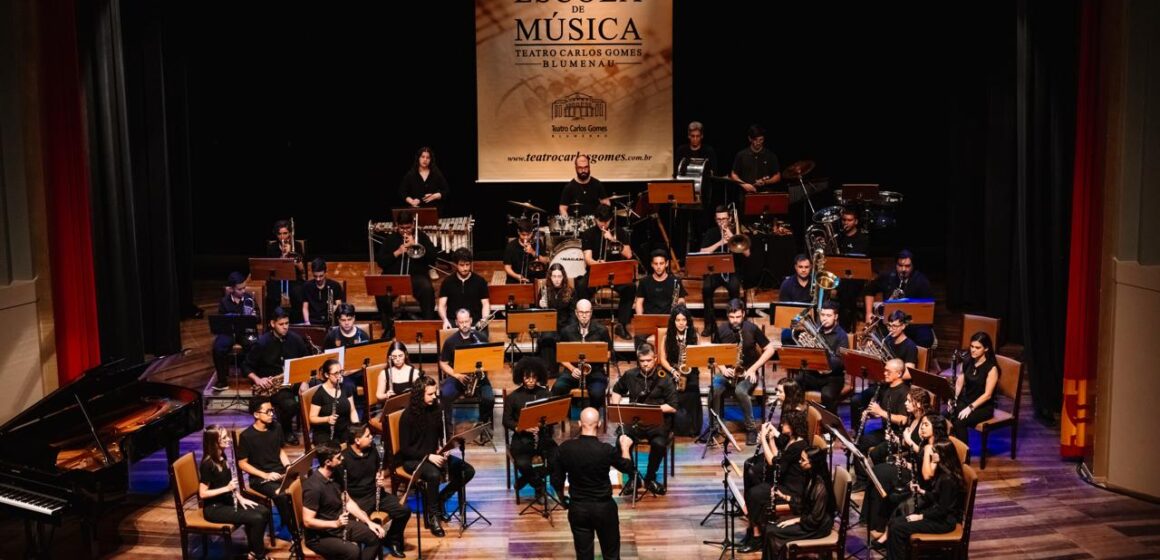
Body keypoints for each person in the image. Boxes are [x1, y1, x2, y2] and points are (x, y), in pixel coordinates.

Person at [552, 408, 635, 560]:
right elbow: (628, 468)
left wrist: (563, 500)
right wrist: (625, 448)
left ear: (579, 423)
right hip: (604, 508)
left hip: (578, 508)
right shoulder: (606, 450)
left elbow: (556, 479)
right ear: (599, 424)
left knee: (584, 555)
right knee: (611, 555)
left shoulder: (565, 448)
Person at [397, 376, 476, 537]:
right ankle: (433, 515)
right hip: (414, 459)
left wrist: (445, 447)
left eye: (435, 393)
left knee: (467, 471)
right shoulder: (407, 416)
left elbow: (442, 434)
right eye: (430, 394)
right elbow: (405, 449)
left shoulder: (436, 409)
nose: (434, 397)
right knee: (433, 474)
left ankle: (441, 498)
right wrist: (428, 456)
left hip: (434, 455)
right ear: (420, 395)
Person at [737, 407, 810, 553]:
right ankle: (753, 529)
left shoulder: (799, 446)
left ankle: (757, 537)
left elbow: (774, 463)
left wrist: (763, 438)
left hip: (791, 489)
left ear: (794, 426)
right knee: (754, 485)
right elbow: (778, 457)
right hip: (784, 482)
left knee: (754, 494)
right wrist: (771, 439)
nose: (782, 425)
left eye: (785, 423)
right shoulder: (792, 440)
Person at [609, 343, 678, 496]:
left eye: (649, 360)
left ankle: (650, 478)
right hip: (635, 422)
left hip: (657, 423)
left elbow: (673, 406)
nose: (646, 364)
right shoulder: (630, 375)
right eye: (642, 361)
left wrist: (651, 410)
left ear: (655, 359)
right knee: (621, 439)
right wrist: (617, 406)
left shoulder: (665, 378)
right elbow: (617, 390)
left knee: (659, 444)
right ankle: (633, 477)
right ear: (638, 360)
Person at [864, 388, 932, 538]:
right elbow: (907, 443)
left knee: (880, 473)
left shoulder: (926, 422)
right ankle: (872, 520)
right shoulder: (912, 417)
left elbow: (924, 452)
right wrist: (896, 439)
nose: (905, 403)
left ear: (919, 404)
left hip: (917, 471)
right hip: (907, 463)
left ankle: (878, 524)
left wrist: (907, 443)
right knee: (876, 471)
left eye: (909, 401)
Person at [242, 307, 315, 445]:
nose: (285, 327)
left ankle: (314, 429)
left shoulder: (296, 339)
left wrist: (305, 382)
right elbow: (246, 366)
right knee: (289, 404)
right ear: (272, 324)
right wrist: (258, 379)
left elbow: (307, 362)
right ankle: (286, 430)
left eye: (287, 323)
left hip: (295, 379)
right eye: (281, 324)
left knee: (314, 391)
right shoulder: (262, 342)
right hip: (275, 386)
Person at [302, 442, 385, 560]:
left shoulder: (335, 474)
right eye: (338, 457)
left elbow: (348, 501)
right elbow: (307, 521)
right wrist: (335, 523)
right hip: (320, 536)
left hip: (339, 527)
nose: (342, 458)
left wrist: (369, 522)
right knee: (353, 551)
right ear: (327, 462)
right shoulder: (313, 487)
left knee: (375, 536)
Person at [199, 425, 271, 560]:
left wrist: (240, 498)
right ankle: (259, 556)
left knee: (264, 511)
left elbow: (230, 485)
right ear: (215, 442)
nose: (229, 440)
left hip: (227, 501)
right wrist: (227, 488)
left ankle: (254, 550)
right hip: (214, 508)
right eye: (224, 437)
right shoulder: (207, 464)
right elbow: (202, 494)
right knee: (257, 518)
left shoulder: (223, 457)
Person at [884, 440, 965, 559]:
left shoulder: (948, 479)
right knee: (895, 522)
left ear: (942, 455)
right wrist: (922, 491)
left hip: (943, 522)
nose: (931, 456)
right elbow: (938, 498)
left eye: (934, 453)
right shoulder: (943, 474)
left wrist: (920, 516)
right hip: (937, 516)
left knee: (897, 528)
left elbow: (942, 510)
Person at [712, 299, 777, 446]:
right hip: (727, 371)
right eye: (731, 317)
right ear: (727, 316)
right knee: (715, 389)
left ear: (743, 314)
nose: (735, 321)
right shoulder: (721, 330)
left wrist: (753, 368)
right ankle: (715, 427)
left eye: (738, 317)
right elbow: (713, 353)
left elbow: (770, 349)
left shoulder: (752, 328)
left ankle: (751, 429)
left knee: (740, 391)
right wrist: (722, 368)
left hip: (748, 371)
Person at [342, 424, 410, 558]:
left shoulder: (371, 449)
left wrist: (379, 477)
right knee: (364, 529)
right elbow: (341, 488)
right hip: (358, 499)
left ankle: (393, 540)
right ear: (357, 440)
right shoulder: (344, 459)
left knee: (404, 511)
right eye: (367, 436)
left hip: (376, 493)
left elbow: (378, 470)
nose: (371, 437)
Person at [762, 447, 837, 560]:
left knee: (772, 531)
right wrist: (785, 497)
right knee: (771, 526)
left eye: (803, 460)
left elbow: (815, 519)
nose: (799, 461)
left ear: (812, 463)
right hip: (810, 519)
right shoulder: (810, 475)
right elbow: (805, 502)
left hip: (818, 527)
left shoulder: (821, 487)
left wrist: (797, 520)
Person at [374, 210, 438, 337]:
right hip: (394, 277)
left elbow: (433, 258)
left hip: (416, 278)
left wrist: (416, 244)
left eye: (408, 227)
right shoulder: (391, 239)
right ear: (397, 226)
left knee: (427, 289)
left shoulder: (421, 237)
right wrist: (397, 252)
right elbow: (381, 261)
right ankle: (388, 327)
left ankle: (428, 324)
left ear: (413, 225)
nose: (405, 231)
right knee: (380, 291)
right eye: (402, 228)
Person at [575, 204, 635, 339]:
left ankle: (622, 324)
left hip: (615, 272)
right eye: (600, 221)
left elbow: (629, 255)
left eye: (607, 221)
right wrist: (598, 264)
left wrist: (613, 239)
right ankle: (588, 322)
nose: (604, 224)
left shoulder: (620, 232)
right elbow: (588, 259)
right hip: (596, 270)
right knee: (581, 286)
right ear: (595, 219)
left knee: (630, 288)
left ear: (611, 219)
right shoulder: (588, 234)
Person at [851, 359, 910, 489]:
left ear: (899, 374)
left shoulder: (904, 392)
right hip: (885, 431)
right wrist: (871, 413)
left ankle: (882, 481)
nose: (884, 373)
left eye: (888, 371)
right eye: (885, 370)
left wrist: (881, 412)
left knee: (876, 453)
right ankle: (862, 480)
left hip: (898, 436)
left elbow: (903, 419)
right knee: (859, 441)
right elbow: (882, 412)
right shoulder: (885, 388)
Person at [237, 397, 293, 535]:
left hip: (279, 472)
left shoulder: (276, 427)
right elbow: (242, 463)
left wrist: (288, 466)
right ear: (256, 414)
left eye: (272, 411)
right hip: (260, 478)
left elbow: (280, 450)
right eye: (267, 412)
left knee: (303, 485)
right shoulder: (247, 436)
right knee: (281, 495)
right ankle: (290, 530)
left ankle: (298, 522)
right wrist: (266, 475)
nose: (271, 414)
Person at [503, 357, 557, 497]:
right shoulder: (513, 397)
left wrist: (544, 423)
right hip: (522, 439)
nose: (531, 381)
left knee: (558, 459)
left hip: (543, 437)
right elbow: (506, 420)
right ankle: (538, 485)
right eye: (527, 378)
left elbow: (553, 417)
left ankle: (524, 480)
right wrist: (523, 427)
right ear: (521, 377)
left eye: (534, 377)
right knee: (522, 464)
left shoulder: (546, 394)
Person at [439, 309, 495, 435]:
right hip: (458, 376)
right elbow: (443, 363)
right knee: (445, 394)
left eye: (466, 321)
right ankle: (448, 430)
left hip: (478, 376)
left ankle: (482, 425)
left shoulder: (481, 338)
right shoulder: (450, 341)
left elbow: (490, 359)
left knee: (489, 399)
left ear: (471, 321)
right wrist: (456, 375)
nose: (464, 324)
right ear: (457, 323)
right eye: (461, 322)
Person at [863, 250, 935, 348]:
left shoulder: (921, 281)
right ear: (896, 265)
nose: (903, 269)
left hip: (912, 324)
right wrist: (868, 313)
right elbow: (869, 290)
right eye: (900, 265)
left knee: (925, 337)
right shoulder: (888, 277)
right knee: (876, 335)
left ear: (913, 266)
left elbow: (928, 309)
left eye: (907, 266)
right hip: (890, 322)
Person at [550, 299, 612, 410]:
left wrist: (595, 358)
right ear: (576, 313)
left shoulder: (602, 330)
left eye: (587, 312)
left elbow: (608, 353)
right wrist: (572, 368)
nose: (584, 316)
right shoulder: (567, 331)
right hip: (573, 371)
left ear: (591, 312)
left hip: (595, 371)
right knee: (557, 388)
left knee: (597, 393)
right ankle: (565, 415)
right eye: (581, 312)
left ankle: (592, 418)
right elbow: (560, 356)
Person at [793, 301, 849, 412]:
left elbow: (840, 362)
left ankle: (830, 426)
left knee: (827, 396)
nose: (824, 318)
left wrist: (823, 356)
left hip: (832, 377)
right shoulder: (815, 331)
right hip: (813, 374)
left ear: (836, 317)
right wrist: (805, 345)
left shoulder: (842, 336)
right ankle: (795, 419)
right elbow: (805, 356)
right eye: (823, 315)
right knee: (793, 384)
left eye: (829, 316)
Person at [698, 206, 745, 336]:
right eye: (719, 220)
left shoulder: (737, 231)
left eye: (724, 219)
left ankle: (737, 322)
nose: (722, 222)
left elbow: (747, 252)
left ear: (730, 218)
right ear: (715, 220)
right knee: (706, 288)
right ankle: (709, 325)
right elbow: (702, 252)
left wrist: (733, 237)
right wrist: (720, 243)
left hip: (732, 272)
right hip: (715, 272)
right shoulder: (711, 232)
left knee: (734, 288)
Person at [657, 306, 702, 437]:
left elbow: (700, 357)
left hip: (690, 370)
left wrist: (689, 360)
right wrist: (672, 370)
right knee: (670, 392)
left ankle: (692, 428)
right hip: (672, 370)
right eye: (678, 320)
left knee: (692, 391)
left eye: (684, 320)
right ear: (673, 321)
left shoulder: (695, 335)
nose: (681, 323)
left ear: (688, 321)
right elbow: (662, 359)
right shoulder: (667, 337)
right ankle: (672, 427)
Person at [212, 271, 260, 392]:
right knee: (218, 347)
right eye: (240, 289)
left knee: (254, 345)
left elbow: (259, 318)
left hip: (246, 332)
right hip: (230, 332)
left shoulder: (249, 299)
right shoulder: (224, 302)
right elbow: (221, 322)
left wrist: (254, 316)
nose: (243, 291)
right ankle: (222, 381)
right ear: (232, 289)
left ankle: (252, 376)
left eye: (244, 288)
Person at [951, 332, 1000, 444]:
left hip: (982, 407)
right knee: (947, 415)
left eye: (977, 348)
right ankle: (949, 450)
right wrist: (954, 398)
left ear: (986, 349)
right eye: (972, 346)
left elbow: (987, 395)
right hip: (966, 400)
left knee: (959, 422)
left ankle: (964, 457)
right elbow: (960, 380)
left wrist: (970, 408)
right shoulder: (968, 360)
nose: (973, 350)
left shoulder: (992, 368)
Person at [675, 121, 721, 234]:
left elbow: (713, 172)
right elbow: (677, 172)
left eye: (697, 136)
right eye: (692, 136)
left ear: (702, 136)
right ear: (688, 136)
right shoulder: (682, 150)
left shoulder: (708, 151)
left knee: (701, 228)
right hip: (684, 196)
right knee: (683, 228)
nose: (695, 139)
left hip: (703, 196)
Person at [437, 248, 491, 340]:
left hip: (474, 321)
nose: (465, 268)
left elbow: (485, 303)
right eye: (461, 265)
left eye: (467, 265)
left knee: (483, 341)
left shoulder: (480, 281)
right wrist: (445, 320)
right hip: (455, 322)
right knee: (447, 342)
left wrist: (484, 319)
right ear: (456, 265)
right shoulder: (447, 282)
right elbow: (442, 305)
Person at [308, 359, 360, 446]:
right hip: (325, 432)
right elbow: (312, 418)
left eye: (341, 372)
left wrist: (357, 427)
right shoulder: (319, 394)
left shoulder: (346, 388)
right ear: (326, 375)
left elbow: (353, 410)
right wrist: (327, 419)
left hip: (344, 429)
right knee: (335, 452)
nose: (340, 376)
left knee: (363, 443)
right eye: (336, 373)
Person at [536, 263, 576, 369]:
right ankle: (550, 369)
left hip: (565, 325)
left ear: (563, 277)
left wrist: (571, 329)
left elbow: (573, 313)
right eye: (554, 276)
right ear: (550, 277)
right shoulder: (544, 290)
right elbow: (537, 314)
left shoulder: (570, 291)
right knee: (547, 336)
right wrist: (540, 306)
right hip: (549, 325)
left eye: (559, 276)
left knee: (566, 334)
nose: (557, 279)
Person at [265, 219, 306, 323]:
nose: (282, 237)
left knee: (297, 294)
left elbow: (302, 270)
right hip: (277, 279)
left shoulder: (297, 245)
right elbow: (270, 268)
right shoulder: (272, 247)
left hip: (294, 279)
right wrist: (283, 256)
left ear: (290, 233)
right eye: (279, 234)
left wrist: (294, 260)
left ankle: (297, 323)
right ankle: (273, 323)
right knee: (272, 295)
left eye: (285, 233)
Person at [729, 124, 781, 198]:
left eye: (761, 140)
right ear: (750, 139)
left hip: (765, 194)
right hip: (745, 195)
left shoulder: (770, 155)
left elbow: (777, 176)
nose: (758, 143)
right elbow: (734, 174)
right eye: (755, 140)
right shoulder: (741, 155)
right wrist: (744, 185)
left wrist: (765, 182)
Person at [634, 249, 686, 317]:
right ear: (652, 264)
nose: (658, 267)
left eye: (661, 263)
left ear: (666, 263)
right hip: (649, 319)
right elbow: (639, 303)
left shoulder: (675, 281)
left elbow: (681, 300)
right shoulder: (644, 282)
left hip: (669, 319)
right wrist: (640, 319)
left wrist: (679, 307)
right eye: (656, 264)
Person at [399, 146, 449, 212]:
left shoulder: (436, 173)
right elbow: (402, 192)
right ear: (418, 158)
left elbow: (446, 190)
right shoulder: (411, 174)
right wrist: (411, 201)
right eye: (423, 157)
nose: (425, 159)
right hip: (417, 212)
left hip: (434, 211)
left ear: (430, 160)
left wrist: (435, 196)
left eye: (428, 158)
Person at [302, 258, 345, 326]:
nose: (318, 279)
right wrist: (307, 322)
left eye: (321, 276)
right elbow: (305, 307)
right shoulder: (307, 286)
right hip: (313, 322)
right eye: (315, 276)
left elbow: (339, 303)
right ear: (312, 273)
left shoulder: (335, 285)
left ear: (325, 272)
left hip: (329, 322)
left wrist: (335, 307)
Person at [504, 220, 549, 284]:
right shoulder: (511, 246)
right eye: (523, 235)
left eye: (528, 235)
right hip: (516, 277)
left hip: (535, 276)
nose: (526, 237)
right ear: (518, 232)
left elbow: (545, 261)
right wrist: (517, 276)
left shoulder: (537, 242)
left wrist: (533, 252)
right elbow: (507, 268)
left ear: (532, 232)